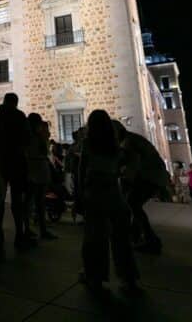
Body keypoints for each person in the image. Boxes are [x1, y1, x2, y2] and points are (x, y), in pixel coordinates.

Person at [79, 110, 139, 293]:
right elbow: (126, 164)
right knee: (121, 240)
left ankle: (94, 277)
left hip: (95, 193)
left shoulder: (88, 144)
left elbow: (82, 171)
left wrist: (80, 197)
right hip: (114, 192)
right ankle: (129, 279)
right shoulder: (115, 146)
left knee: (95, 239)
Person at [114, 121, 168, 255]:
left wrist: (123, 177)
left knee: (132, 202)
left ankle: (150, 239)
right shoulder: (131, 139)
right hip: (154, 176)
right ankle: (137, 235)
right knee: (133, 204)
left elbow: (132, 163)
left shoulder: (128, 142)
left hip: (150, 177)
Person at [0, 92, 32, 252]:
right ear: (15, 102)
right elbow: (27, 140)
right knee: (17, 202)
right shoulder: (20, 116)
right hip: (17, 163)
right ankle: (19, 235)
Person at [26, 114, 57, 240]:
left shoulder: (27, 137)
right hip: (39, 167)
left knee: (30, 201)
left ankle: (27, 229)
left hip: (31, 168)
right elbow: (44, 151)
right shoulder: (38, 137)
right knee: (39, 201)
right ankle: (41, 230)